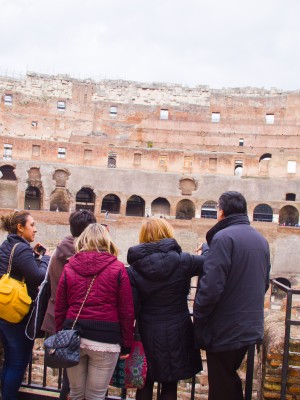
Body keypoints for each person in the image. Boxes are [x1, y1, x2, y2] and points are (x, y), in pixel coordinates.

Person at [193, 191, 271, 400]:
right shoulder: (261, 240)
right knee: (227, 379)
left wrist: (199, 318)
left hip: (225, 328)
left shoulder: (223, 238)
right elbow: (264, 283)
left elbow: (211, 287)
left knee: (221, 385)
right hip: (249, 325)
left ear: (221, 212)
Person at [127, 218, 208, 400]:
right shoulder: (184, 261)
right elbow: (208, 262)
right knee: (170, 384)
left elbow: (133, 305)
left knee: (145, 382)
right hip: (178, 328)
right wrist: (206, 247)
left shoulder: (133, 269)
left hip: (147, 329)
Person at [55, 223, 134, 400]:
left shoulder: (69, 266)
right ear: (106, 240)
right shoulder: (118, 267)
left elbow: (60, 306)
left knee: (76, 393)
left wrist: (60, 335)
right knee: (96, 395)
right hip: (105, 338)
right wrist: (127, 343)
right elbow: (126, 310)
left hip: (73, 336)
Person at [41, 209, 97, 400]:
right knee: (76, 382)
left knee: (71, 380)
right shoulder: (81, 258)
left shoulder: (61, 249)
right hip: (74, 323)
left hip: (59, 319)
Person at [0, 210, 50, 400]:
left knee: (10, 360)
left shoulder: (7, 245)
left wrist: (34, 257)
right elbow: (38, 276)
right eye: (32, 225)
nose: (35, 229)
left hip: (4, 309)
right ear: (20, 228)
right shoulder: (21, 249)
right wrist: (45, 259)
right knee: (18, 361)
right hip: (17, 312)